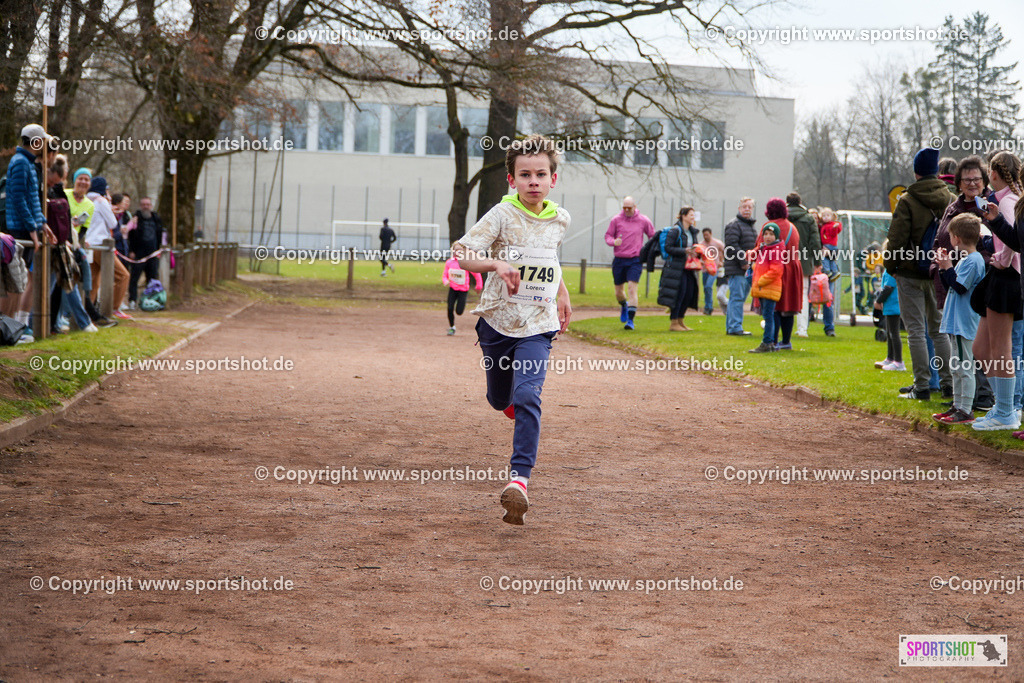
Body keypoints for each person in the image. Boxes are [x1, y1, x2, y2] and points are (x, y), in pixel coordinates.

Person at [451, 134, 571, 526]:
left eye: (541, 174)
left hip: (538, 324)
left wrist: (563, 292)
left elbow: (549, 258)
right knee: (499, 397)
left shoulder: (559, 218)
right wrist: (496, 266)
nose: (533, 181)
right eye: (525, 174)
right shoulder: (500, 216)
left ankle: (518, 482)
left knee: (527, 395)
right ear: (511, 180)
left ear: (553, 179)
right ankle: (508, 405)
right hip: (498, 323)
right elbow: (463, 253)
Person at [884, 147, 955, 400]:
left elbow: (897, 239)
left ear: (916, 172)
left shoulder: (908, 200)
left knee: (915, 330)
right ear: (936, 171)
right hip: (938, 271)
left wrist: (891, 267)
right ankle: (949, 384)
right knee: (939, 330)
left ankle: (922, 386)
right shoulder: (949, 198)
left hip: (911, 273)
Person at [970, 151, 1023, 430]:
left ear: (993, 173)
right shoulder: (1001, 202)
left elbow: (1013, 244)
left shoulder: (1008, 202)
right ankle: (1002, 407)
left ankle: (1006, 411)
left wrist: (999, 259)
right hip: (1000, 277)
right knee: (981, 348)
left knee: (1001, 349)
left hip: (1007, 278)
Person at [3, 124, 58, 342]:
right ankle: (9, 327)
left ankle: (14, 327)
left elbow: (33, 200)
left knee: (22, 279)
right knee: (16, 280)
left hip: (27, 226)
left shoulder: (28, 163)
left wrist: (42, 223)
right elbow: (17, 199)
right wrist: (32, 228)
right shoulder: (20, 163)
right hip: (18, 228)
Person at [932, 215, 986, 425]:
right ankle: (957, 404)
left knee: (964, 367)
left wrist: (947, 267)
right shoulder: (965, 258)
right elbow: (950, 286)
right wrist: (944, 267)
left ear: (956, 237)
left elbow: (960, 287)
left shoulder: (974, 260)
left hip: (965, 322)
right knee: (956, 366)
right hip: (956, 321)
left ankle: (965, 409)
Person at [753, 198, 801, 350]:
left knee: (773, 306)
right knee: (788, 307)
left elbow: (760, 247)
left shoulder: (769, 227)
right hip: (793, 269)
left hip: (774, 269)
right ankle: (786, 341)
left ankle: (771, 341)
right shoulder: (793, 227)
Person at [604, 196, 655, 330]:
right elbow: (608, 236)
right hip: (619, 259)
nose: (626, 210)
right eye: (624, 208)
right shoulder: (616, 220)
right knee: (619, 292)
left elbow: (652, 236)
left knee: (632, 289)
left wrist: (647, 251)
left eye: (629, 208)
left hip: (635, 260)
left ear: (635, 206)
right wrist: (613, 242)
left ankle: (630, 321)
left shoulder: (643, 220)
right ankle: (624, 305)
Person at [86, 177, 132, 319]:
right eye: (107, 189)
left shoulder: (87, 200)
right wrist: (111, 208)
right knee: (123, 276)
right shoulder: (101, 201)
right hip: (101, 245)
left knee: (94, 281)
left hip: (89, 245)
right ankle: (113, 308)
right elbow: (112, 224)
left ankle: (89, 313)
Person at [788, 193, 825, 338]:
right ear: (800, 202)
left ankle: (779, 327)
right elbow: (815, 243)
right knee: (802, 295)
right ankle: (802, 329)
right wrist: (817, 262)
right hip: (803, 262)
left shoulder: (781, 217)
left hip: (784, 261)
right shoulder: (809, 218)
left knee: (783, 294)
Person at [657, 206, 700, 331]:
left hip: (689, 267)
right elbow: (668, 248)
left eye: (693, 215)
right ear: (683, 216)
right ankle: (674, 322)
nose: (693, 217)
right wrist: (684, 251)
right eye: (691, 215)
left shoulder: (692, 231)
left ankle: (681, 320)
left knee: (688, 293)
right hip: (676, 268)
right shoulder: (675, 230)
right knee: (679, 294)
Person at [723, 197, 757, 336]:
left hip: (747, 268)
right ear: (739, 208)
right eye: (744, 206)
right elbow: (732, 246)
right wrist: (743, 262)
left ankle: (733, 326)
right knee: (737, 297)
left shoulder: (750, 227)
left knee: (739, 298)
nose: (747, 209)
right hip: (737, 268)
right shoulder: (734, 225)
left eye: (750, 207)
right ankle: (735, 327)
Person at [748, 223, 784, 353]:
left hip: (768, 288)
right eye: (766, 234)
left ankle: (767, 342)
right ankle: (769, 343)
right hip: (764, 288)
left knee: (768, 317)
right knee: (768, 316)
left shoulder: (775, 251)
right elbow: (758, 263)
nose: (768, 237)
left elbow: (776, 270)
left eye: (771, 234)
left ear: (776, 236)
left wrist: (761, 281)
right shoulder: (765, 249)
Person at [127, 196, 163, 310]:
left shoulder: (156, 219)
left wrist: (158, 250)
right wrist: (131, 250)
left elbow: (160, 235)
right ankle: (132, 300)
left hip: (152, 253)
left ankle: (150, 299)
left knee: (152, 278)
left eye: (148, 204)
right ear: (140, 206)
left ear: (151, 206)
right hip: (138, 253)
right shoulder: (135, 219)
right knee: (134, 278)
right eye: (143, 204)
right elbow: (130, 235)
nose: (146, 207)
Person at [874, 255, 903, 371]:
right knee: (890, 332)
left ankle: (899, 362)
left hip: (893, 305)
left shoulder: (893, 269)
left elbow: (888, 287)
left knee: (894, 334)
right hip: (889, 306)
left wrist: (878, 301)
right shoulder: (888, 269)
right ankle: (890, 358)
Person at [441, 253, 482, 335]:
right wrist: (445, 281)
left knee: (459, 311)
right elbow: (445, 274)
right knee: (449, 307)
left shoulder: (465, 263)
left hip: (463, 290)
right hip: (452, 288)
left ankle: (461, 305)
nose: (456, 252)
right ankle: (452, 327)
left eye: (459, 250)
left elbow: (476, 274)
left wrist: (479, 285)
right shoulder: (449, 262)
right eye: (455, 250)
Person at [699, 227, 724, 315]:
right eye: (704, 235)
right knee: (706, 288)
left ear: (711, 234)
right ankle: (707, 307)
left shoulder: (717, 243)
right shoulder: (701, 244)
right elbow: (698, 255)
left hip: (714, 269)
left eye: (707, 235)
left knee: (708, 286)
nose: (706, 236)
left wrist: (721, 261)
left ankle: (709, 307)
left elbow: (724, 250)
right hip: (705, 269)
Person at [819, 208, 842, 282]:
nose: (826, 217)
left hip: (829, 245)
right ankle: (834, 271)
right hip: (829, 245)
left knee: (824, 257)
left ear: (832, 216)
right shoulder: (824, 225)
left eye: (828, 215)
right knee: (831, 259)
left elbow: (834, 232)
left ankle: (827, 270)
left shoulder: (832, 225)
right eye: (824, 216)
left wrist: (835, 228)